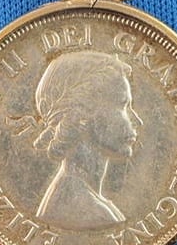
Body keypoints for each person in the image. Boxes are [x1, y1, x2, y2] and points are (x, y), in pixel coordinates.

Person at [33, 51, 143, 230]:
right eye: (122, 105)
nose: (137, 121)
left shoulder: (85, 198)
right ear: (82, 115)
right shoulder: (87, 209)